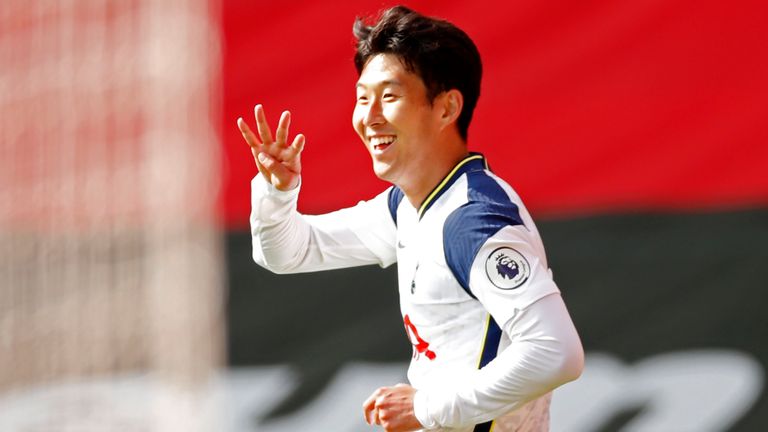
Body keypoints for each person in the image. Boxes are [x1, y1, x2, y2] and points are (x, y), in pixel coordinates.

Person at [237, 5, 584, 432]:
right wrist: (277, 191)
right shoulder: (409, 206)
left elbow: (557, 352)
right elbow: (289, 252)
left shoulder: (473, 220)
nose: (370, 116)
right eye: (363, 97)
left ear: (446, 108)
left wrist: (426, 409)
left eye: (390, 95)